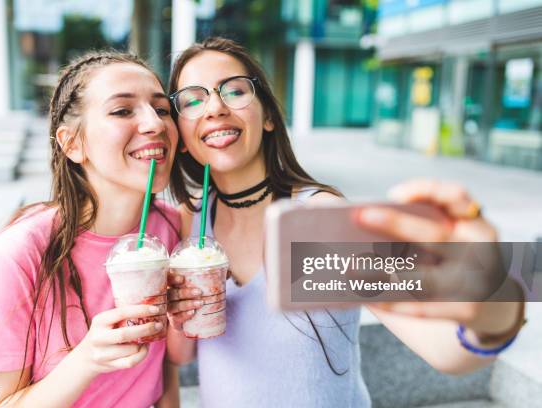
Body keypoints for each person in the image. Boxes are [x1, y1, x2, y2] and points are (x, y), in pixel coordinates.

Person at [165, 37, 526, 407]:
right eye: (192, 100)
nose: (214, 108)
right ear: (180, 136)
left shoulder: (319, 218)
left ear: (269, 116)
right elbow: (184, 355)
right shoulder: (189, 221)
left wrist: (495, 305)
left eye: (234, 90)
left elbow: (446, 352)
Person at [0, 51, 182, 407]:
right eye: (122, 110)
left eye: (161, 109)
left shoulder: (171, 229)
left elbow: (165, 367)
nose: (155, 124)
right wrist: (86, 359)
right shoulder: (16, 256)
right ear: (72, 143)